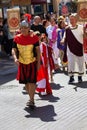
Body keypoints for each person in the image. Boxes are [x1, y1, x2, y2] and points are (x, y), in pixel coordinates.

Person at [12, 19, 40, 110]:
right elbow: (14, 50)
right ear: (20, 29)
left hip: (32, 62)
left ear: (28, 28)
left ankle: (31, 100)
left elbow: (38, 51)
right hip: (22, 63)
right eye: (22, 28)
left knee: (32, 81)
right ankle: (30, 98)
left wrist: (38, 63)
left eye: (25, 28)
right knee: (26, 83)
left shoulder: (34, 37)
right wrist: (15, 58)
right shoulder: (16, 38)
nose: (23, 29)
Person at [61, 13, 85, 83]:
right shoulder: (67, 28)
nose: (71, 21)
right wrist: (63, 40)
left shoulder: (81, 27)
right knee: (71, 62)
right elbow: (65, 36)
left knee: (80, 62)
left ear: (76, 20)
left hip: (79, 47)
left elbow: (85, 36)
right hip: (70, 48)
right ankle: (71, 77)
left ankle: (80, 77)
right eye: (70, 19)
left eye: (73, 19)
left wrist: (85, 31)